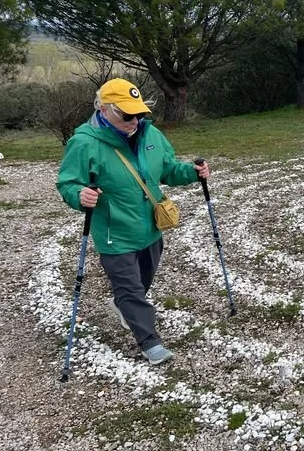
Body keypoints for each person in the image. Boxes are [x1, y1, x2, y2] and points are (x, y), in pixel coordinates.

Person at [57, 78, 209, 365]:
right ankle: (149, 341)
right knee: (130, 288)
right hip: (115, 233)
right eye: (127, 115)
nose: (135, 121)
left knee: (142, 281)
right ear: (104, 109)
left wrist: (192, 172)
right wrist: (79, 195)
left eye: (139, 113)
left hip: (151, 228)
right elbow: (67, 183)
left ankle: (122, 305)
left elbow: (167, 170)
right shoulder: (84, 143)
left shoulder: (152, 136)